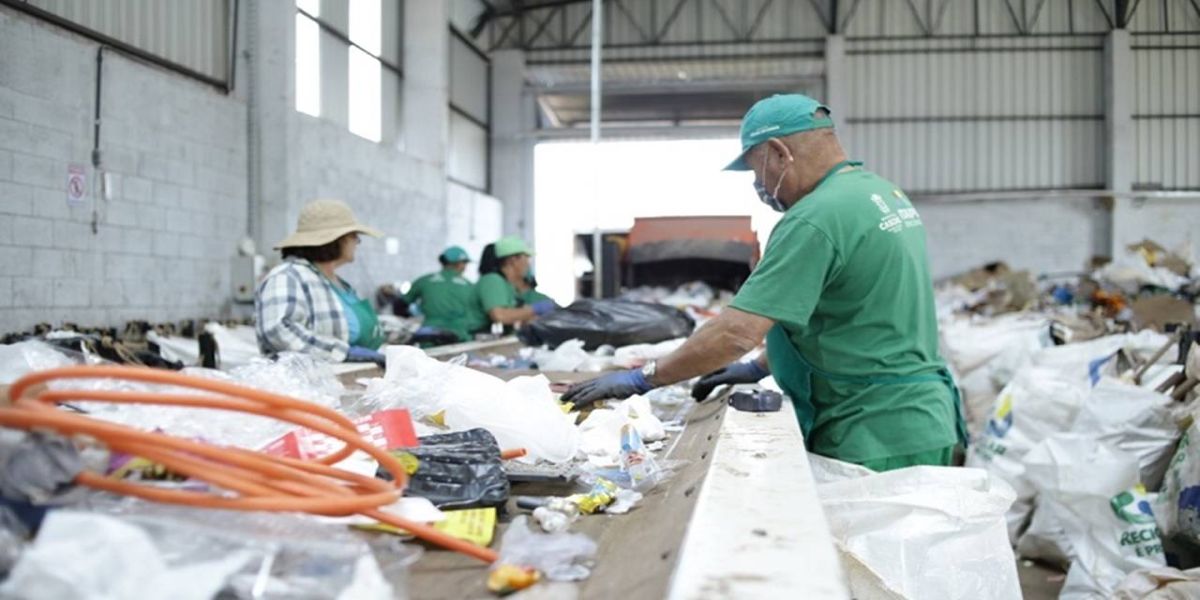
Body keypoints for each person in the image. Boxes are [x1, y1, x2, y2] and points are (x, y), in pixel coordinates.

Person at [562, 94, 966, 472]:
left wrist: (644, 377)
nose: (759, 184)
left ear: (779, 152)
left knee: (865, 549)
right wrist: (758, 366)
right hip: (914, 417)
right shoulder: (879, 194)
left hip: (871, 428)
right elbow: (852, 311)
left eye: (757, 169)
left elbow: (737, 331)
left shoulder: (815, 217)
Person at [255, 199, 386, 364]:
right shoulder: (287, 276)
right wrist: (344, 353)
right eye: (354, 237)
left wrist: (409, 332)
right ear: (336, 240)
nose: (357, 243)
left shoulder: (339, 284)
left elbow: (358, 326)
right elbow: (278, 330)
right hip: (306, 385)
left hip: (345, 381)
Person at [402, 246, 489, 342]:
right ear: (459, 264)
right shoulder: (469, 285)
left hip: (428, 335)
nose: (465, 267)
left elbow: (400, 304)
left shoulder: (424, 281)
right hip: (460, 335)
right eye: (465, 263)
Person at [477, 236, 557, 327]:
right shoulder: (492, 280)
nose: (528, 263)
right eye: (526, 258)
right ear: (512, 260)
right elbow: (500, 316)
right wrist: (535, 309)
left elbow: (514, 317)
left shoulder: (508, 286)